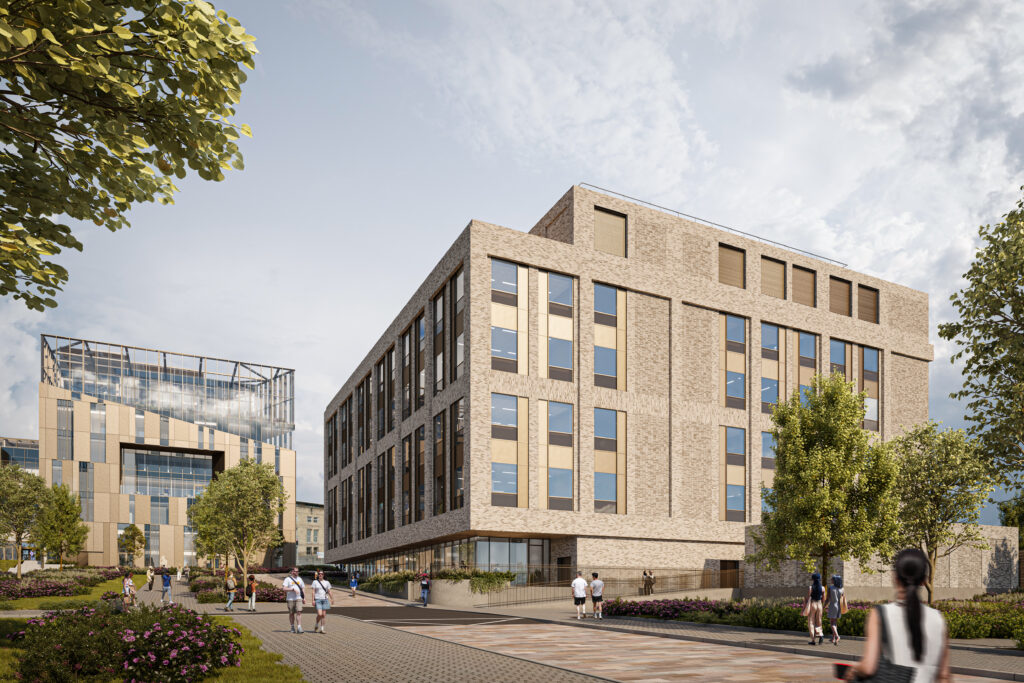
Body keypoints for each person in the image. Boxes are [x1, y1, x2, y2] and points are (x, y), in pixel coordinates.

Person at [844, 549, 951, 682]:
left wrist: (853, 669)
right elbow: (944, 676)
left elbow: (868, 667)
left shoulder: (879, 614)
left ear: (895, 578)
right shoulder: (938, 619)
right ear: (924, 580)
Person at [283, 566, 306, 633]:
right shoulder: (287, 579)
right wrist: (292, 589)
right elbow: (284, 588)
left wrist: (304, 597)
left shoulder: (300, 579)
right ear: (292, 572)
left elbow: (303, 588)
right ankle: (292, 627)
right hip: (290, 599)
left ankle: (299, 627)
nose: (297, 572)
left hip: (298, 598)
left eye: (298, 571)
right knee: (291, 613)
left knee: (299, 612)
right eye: (296, 571)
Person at [806, 571, 824, 645]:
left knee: (811, 622)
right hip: (820, 604)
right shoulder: (822, 588)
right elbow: (824, 598)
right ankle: (820, 634)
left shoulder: (811, 587)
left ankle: (813, 640)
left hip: (813, 604)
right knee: (819, 621)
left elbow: (809, 597)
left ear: (813, 579)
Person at [826, 574, 844, 645]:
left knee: (832, 623)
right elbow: (842, 598)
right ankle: (833, 638)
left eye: (832, 579)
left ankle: (837, 636)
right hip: (839, 606)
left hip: (833, 606)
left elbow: (827, 599)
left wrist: (824, 606)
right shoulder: (842, 589)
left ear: (835, 580)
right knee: (835, 622)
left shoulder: (830, 588)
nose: (831, 580)